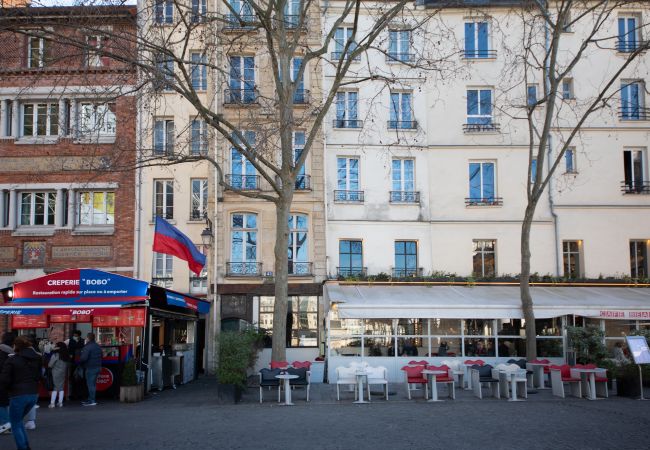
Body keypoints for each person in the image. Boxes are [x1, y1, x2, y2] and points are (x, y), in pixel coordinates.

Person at [0, 336, 42, 450]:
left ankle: (23, 447)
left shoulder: (12, 360)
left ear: (16, 346)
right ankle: (25, 446)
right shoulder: (36, 359)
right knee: (18, 421)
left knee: (15, 423)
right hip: (33, 393)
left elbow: (4, 379)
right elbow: (39, 376)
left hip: (18, 394)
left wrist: (8, 389)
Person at [79, 333, 102, 406]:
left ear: (88, 338)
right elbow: (102, 355)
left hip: (90, 367)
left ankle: (92, 400)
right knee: (93, 384)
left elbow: (83, 358)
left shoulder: (88, 347)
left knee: (90, 385)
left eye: (86, 338)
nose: (85, 339)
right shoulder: (97, 346)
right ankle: (90, 399)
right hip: (98, 367)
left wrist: (80, 359)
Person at [0, 332, 15, 435]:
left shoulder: (1, 352)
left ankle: (5, 423)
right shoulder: (13, 354)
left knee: (1, 403)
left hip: (1, 381)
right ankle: (7, 425)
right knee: (5, 403)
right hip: (10, 382)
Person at [48, 342, 69, 408]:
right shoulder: (66, 355)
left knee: (55, 387)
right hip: (63, 372)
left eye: (56, 346)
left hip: (55, 373)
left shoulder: (56, 355)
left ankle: (52, 403)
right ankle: (60, 402)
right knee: (61, 387)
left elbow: (50, 365)